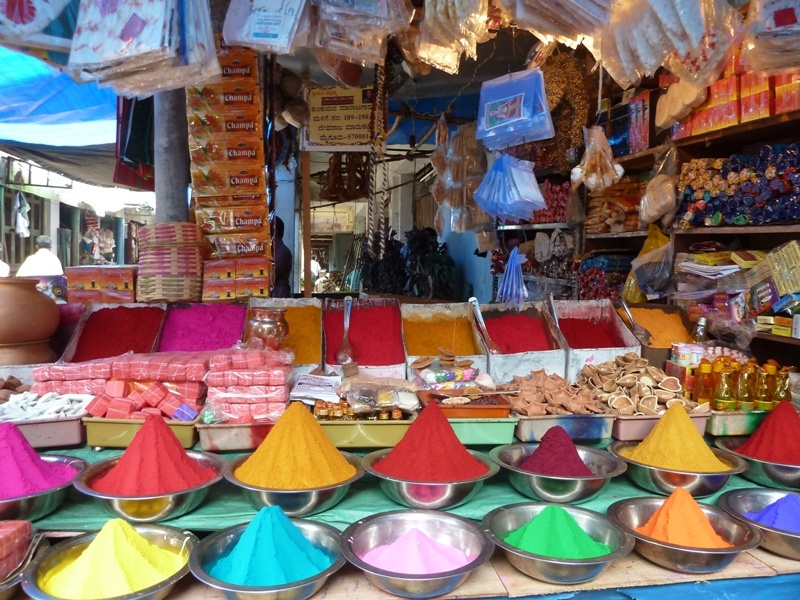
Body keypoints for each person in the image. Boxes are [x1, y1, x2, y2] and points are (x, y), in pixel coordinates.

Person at [271, 216, 292, 298]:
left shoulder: (282, 251)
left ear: (274, 230)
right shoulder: (273, 249)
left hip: (278, 297)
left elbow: (271, 276)